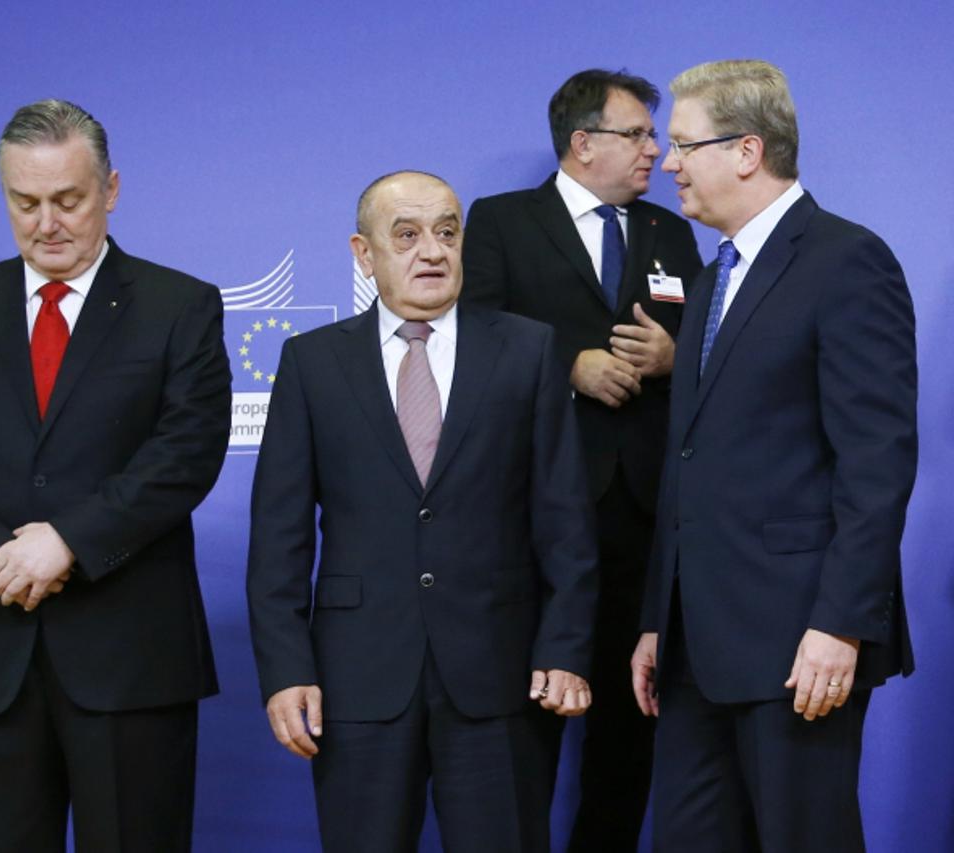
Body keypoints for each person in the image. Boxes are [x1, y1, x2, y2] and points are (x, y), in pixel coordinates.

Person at [0, 99, 231, 853]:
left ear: (110, 188)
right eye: (25, 202)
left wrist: (69, 539)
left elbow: (186, 452)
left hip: (131, 658)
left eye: (68, 199)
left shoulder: (181, 306)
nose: (48, 222)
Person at [247, 170, 598, 851]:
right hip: (359, 679)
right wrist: (287, 670)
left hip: (501, 675)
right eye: (406, 235)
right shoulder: (312, 363)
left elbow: (566, 520)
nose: (432, 251)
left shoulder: (526, 350)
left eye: (446, 231)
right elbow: (279, 538)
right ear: (363, 252)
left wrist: (565, 645)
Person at [631, 60, 916, 853]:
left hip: (800, 647)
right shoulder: (710, 277)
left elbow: (877, 459)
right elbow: (687, 461)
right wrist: (660, 619)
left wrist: (841, 623)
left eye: (685, 145)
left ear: (748, 151)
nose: (671, 164)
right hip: (694, 650)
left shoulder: (846, 261)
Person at [462, 68, 703, 851]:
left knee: (632, 717)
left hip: (642, 509)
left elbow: (711, 341)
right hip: (535, 510)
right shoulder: (500, 222)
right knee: (527, 710)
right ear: (582, 142)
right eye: (638, 135)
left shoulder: (671, 232)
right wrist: (569, 363)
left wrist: (676, 355)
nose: (655, 152)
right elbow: (472, 333)